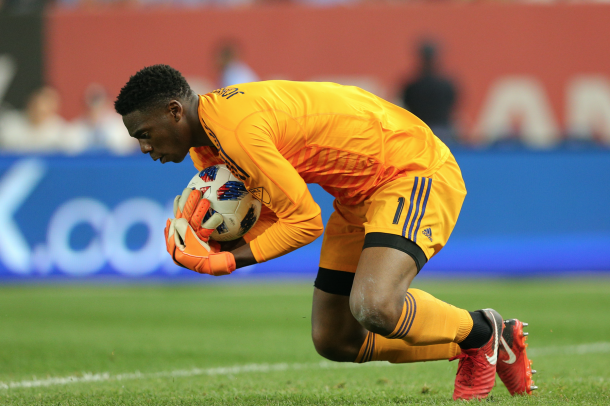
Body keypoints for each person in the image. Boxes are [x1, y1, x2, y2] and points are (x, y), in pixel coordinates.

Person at [114, 65, 536, 400]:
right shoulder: (206, 142)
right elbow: (273, 211)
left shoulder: (235, 131)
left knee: (374, 305)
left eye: (145, 135)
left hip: (409, 170)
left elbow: (304, 222)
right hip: (356, 193)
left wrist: (223, 259)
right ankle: (478, 341)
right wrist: (210, 240)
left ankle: (483, 333)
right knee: (335, 339)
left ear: (174, 111)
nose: (144, 148)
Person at [399, 42, 458, 146]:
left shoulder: (412, 85)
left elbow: (406, 104)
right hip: (442, 132)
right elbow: (453, 103)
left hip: (419, 131)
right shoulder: (446, 84)